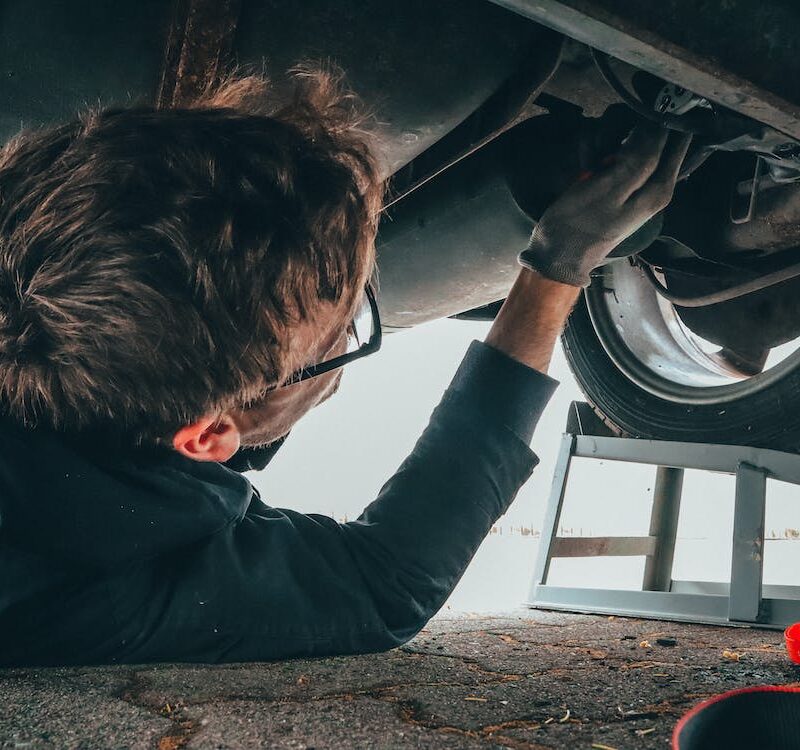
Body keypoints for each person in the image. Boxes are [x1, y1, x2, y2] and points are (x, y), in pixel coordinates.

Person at [0, 69, 690, 666]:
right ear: (206, 435)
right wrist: (555, 268)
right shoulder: (94, 586)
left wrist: (559, 265)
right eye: (344, 333)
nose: (342, 357)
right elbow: (387, 581)